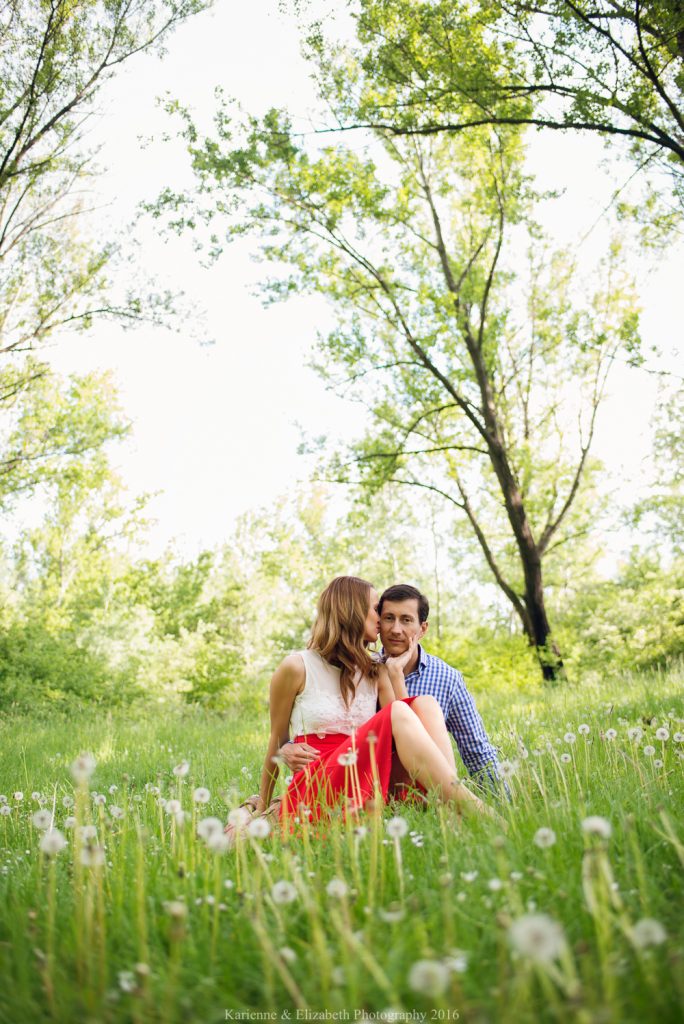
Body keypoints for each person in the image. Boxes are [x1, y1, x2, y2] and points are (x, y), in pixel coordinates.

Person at [250, 576, 496, 830]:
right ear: (352, 611)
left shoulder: (375, 671)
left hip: (367, 777)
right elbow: (276, 739)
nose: (380, 619)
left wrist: (396, 675)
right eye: (375, 608)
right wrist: (263, 801)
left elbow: (407, 737)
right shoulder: (296, 667)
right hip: (321, 781)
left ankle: (452, 814)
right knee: (400, 710)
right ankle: (478, 813)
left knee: (426, 704)